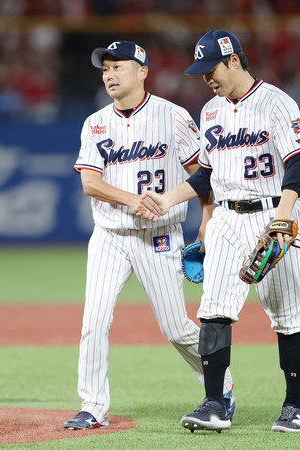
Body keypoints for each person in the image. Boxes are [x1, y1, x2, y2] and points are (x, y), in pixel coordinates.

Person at [141, 29, 300, 433]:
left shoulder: (276, 102)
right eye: (201, 73)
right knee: (214, 308)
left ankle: (293, 407)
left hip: (275, 213)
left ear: (234, 60)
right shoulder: (212, 111)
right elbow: (205, 174)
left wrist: (283, 218)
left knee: (288, 314)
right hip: (227, 219)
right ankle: (214, 404)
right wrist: (167, 200)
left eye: (211, 69)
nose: (207, 79)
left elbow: (297, 164)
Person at [63, 39, 235, 430]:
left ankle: (221, 388)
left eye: (118, 67)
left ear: (142, 71)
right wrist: (133, 200)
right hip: (109, 235)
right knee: (94, 320)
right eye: (105, 68)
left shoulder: (172, 117)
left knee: (175, 327)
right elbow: (90, 183)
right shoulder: (95, 123)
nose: (109, 74)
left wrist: (206, 220)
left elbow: (202, 174)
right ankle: (93, 405)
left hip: (160, 234)